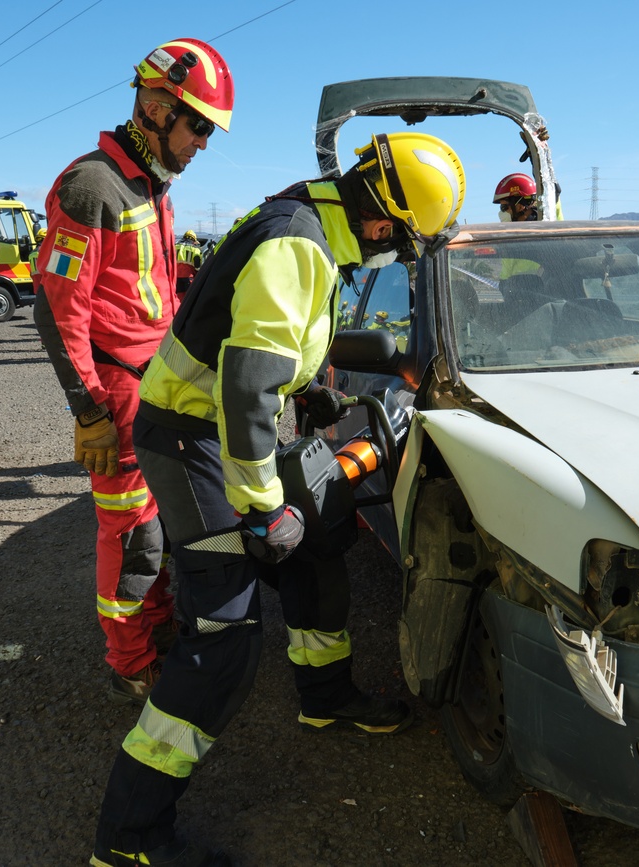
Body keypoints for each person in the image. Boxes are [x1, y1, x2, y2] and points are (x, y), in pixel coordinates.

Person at [90, 131, 467, 867]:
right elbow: (243, 387)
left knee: (320, 543)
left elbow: (267, 349)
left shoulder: (312, 221)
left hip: (216, 426)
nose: (396, 259)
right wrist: (263, 506)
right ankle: (129, 836)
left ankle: (325, 696)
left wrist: (317, 394)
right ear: (384, 223)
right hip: (192, 438)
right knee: (225, 641)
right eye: (405, 247)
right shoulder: (297, 245)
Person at [33, 37, 234, 707]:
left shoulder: (147, 184)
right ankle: (133, 658)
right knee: (132, 532)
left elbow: (146, 289)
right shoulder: (91, 185)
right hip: (115, 392)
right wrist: (87, 410)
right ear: (153, 107)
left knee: (161, 524)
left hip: (156, 385)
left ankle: (154, 627)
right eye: (197, 124)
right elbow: (58, 308)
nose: (202, 142)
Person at [173, 229, 203, 297]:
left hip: (176, 278)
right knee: (189, 298)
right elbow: (197, 264)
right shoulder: (195, 249)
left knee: (177, 297)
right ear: (193, 240)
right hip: (189, 278)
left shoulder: (174, 247)